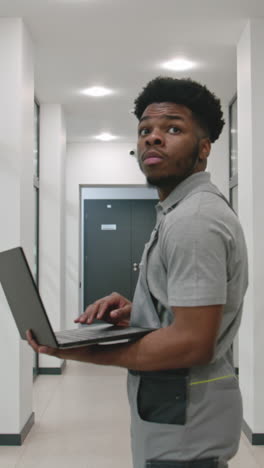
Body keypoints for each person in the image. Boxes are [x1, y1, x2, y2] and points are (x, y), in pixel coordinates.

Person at [27, 77, 248, 468]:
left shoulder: (193, 221)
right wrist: (142, 312)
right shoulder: (178, 212)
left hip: (186, 431)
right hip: (177, 421)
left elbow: (191, 344)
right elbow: (188, 319)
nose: (153, 138)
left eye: (173, 128)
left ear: (204, 148)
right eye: (146, 130)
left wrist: (81, 349)